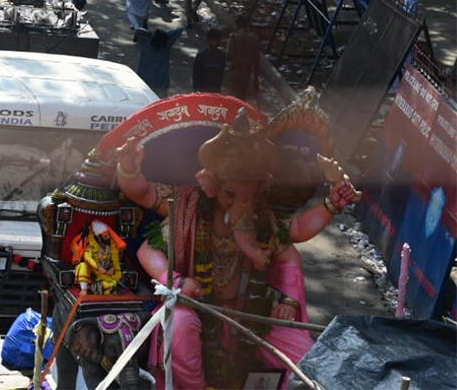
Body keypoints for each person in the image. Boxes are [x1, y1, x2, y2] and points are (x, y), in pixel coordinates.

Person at [114, 114, 359, 390]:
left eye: (249, 195)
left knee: (305, 355)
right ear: (211, 184)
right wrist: (177, 283)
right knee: (180, 323)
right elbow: (148, 237)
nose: (241, 204)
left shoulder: (261, 220)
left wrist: (332, 204)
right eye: (231, 194)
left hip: (251, 314)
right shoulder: (187, 209)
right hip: (196, 309)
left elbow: (298, 229)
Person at [134, 26, 182, 96]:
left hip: (144, 80)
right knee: (160, 102)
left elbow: (138, 30)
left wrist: (150, 34)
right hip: (161, 82)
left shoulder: (145, 43)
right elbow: (179, 29)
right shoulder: (166, 47)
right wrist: (166, 35)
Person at [225, 13, 262, 103]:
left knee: (234, 99)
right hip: (247, 73)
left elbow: (228, 56)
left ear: (238, 25)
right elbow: (257, 62)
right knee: (243, 100)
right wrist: (255, 81)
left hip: (235, 72)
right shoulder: (255, 39)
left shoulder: (233, 38)